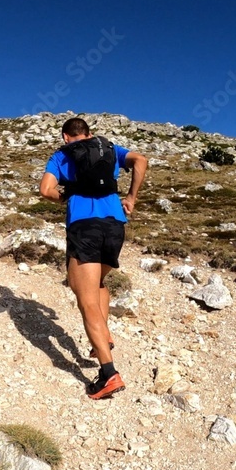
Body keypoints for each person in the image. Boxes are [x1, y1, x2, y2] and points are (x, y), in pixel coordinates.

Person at [38, 117, 148, 400]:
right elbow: (141, 161)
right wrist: (132, 197)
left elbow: (45, 190)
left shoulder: (61, 156)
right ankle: (105, 337)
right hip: (114, 225)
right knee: (97, 282)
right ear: (89, 133)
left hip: (84, 227)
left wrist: (63, 197)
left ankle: (109, 374)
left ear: (65, 137)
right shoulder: (109, 148)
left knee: (85, 299)